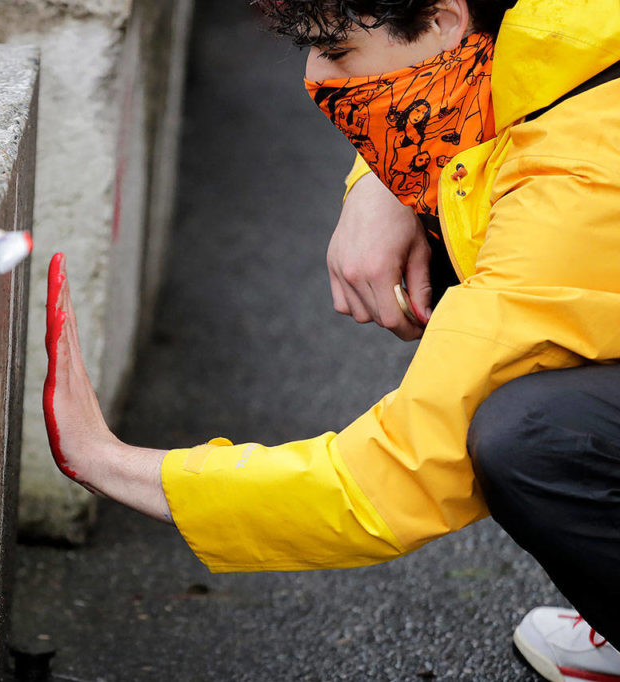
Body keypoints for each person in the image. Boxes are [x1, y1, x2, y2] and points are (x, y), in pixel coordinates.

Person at [41, 0, 620, 680]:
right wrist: (385, 181)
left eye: (338, 52)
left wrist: (109, 462)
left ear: (444, 22)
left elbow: (392, 480)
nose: (317, 80)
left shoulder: (578, 181)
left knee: (531, 437)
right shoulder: (566, 45)